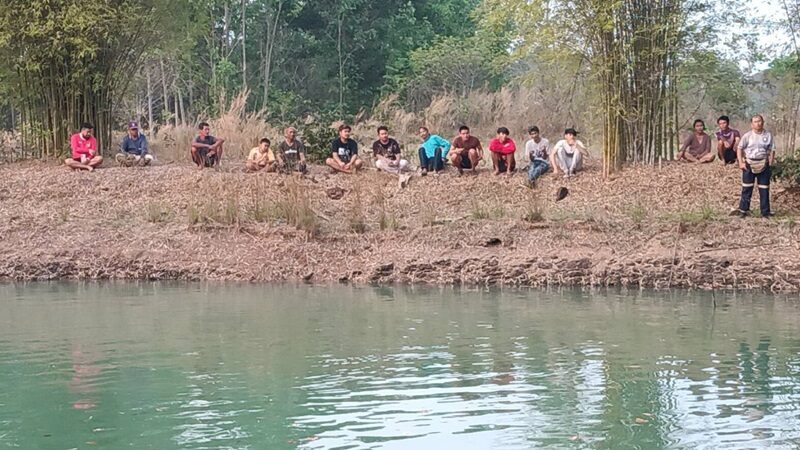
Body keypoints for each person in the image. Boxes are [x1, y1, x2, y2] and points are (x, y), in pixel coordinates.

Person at [736, 114, 775, 218]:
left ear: (763, 122)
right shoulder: (747, 136)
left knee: (764, 189)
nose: (758, 123)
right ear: (752, 124)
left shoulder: (768, 135)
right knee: (747, 188)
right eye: (756, 122)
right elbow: (739, 148)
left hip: (763, 163)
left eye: (760, 121)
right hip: (749, 163)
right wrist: (740, 162)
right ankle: (743, 210)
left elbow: (772, 149)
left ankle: (765, 212)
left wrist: (771, 162)